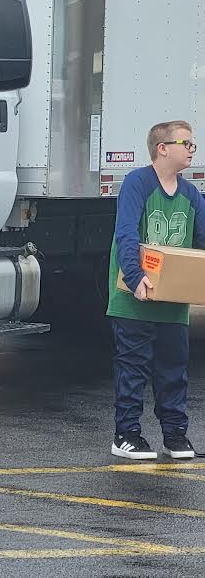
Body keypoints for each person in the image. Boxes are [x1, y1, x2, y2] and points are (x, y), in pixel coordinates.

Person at [108, 120, 204, 461]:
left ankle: (175, 435)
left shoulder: (191, 193)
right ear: (162, 148)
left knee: (173, 367)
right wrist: (135, 279)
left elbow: (201, 241)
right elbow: (126, 235)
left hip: (172, 301)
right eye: (187, 144)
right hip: (134, 298)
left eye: (193, 144)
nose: (192, 149)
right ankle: (127, 434)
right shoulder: (138, 183)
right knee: (134, 365)